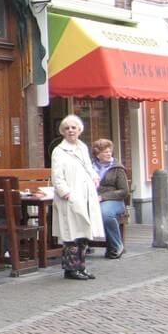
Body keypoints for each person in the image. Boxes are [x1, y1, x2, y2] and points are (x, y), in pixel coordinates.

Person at [50, 114, 105, 281]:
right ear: (63, 132)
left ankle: (81, 266)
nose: (70, 131)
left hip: (85, 195)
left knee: (83, 231)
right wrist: (65, 192)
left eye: (73, 128)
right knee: (70, 233)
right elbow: (57, 176)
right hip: (70, 196)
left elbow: (88, 166)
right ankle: (70, 269)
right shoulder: (59, 151)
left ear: (79, 130)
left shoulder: (82, 147)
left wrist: (95, 177)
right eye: (67, 128)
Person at [91, 138, 128, 259]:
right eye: (105, 152)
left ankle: (117, 246)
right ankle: (81, 245)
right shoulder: (90, 167)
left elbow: (124, 191)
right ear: (97, 154)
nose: (108, 154)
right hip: (92, 199)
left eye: (109, 151)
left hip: (115, 201)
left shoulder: (117, 168)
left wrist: (103, 197)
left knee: (105, 213)